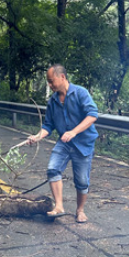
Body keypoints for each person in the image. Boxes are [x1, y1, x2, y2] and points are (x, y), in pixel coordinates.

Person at [27, 64, 98, 223]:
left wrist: (74, 132)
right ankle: (59, 206)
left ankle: (80, 210)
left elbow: (92, 115)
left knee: (81, 180)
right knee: (53, 169)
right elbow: (48, 125)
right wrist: (37, 136)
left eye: (52, 81)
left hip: (83, 143)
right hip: (64, 143)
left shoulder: (80, 93)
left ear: (62, 77)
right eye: (48, 82)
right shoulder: (52, 101)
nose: (50, 85)